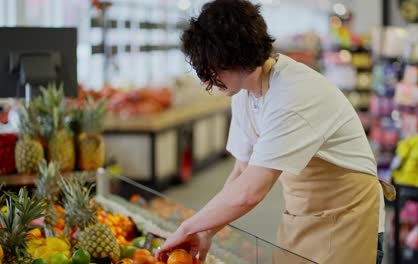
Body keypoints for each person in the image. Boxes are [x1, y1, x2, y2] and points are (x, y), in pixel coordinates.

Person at [156, 0, 394, 263]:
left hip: (350, 219)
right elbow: (241, 173)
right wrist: (206, 231)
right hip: (302, 216)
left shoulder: (292, 94)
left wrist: (188, 227)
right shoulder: (245, 94)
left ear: (235, 55)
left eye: (210, 68)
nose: (205, 79)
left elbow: (251, 191)